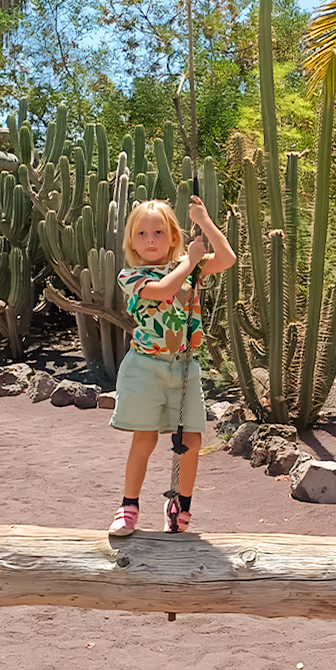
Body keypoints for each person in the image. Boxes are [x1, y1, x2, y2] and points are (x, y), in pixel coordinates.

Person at [107, 196, 235, 536]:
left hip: (184, 366)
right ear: (131, 241)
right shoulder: (131, 275)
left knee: (191, 441)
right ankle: (128, 506)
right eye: (142, 234)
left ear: (174, 237)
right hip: (145, 366)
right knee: (145, 439)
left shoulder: (188, 265)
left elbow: (227, 258)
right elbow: (164, 289)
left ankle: (180, 505)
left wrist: (204, 221)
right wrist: (189, 262)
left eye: (159, 232)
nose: (150, 239)